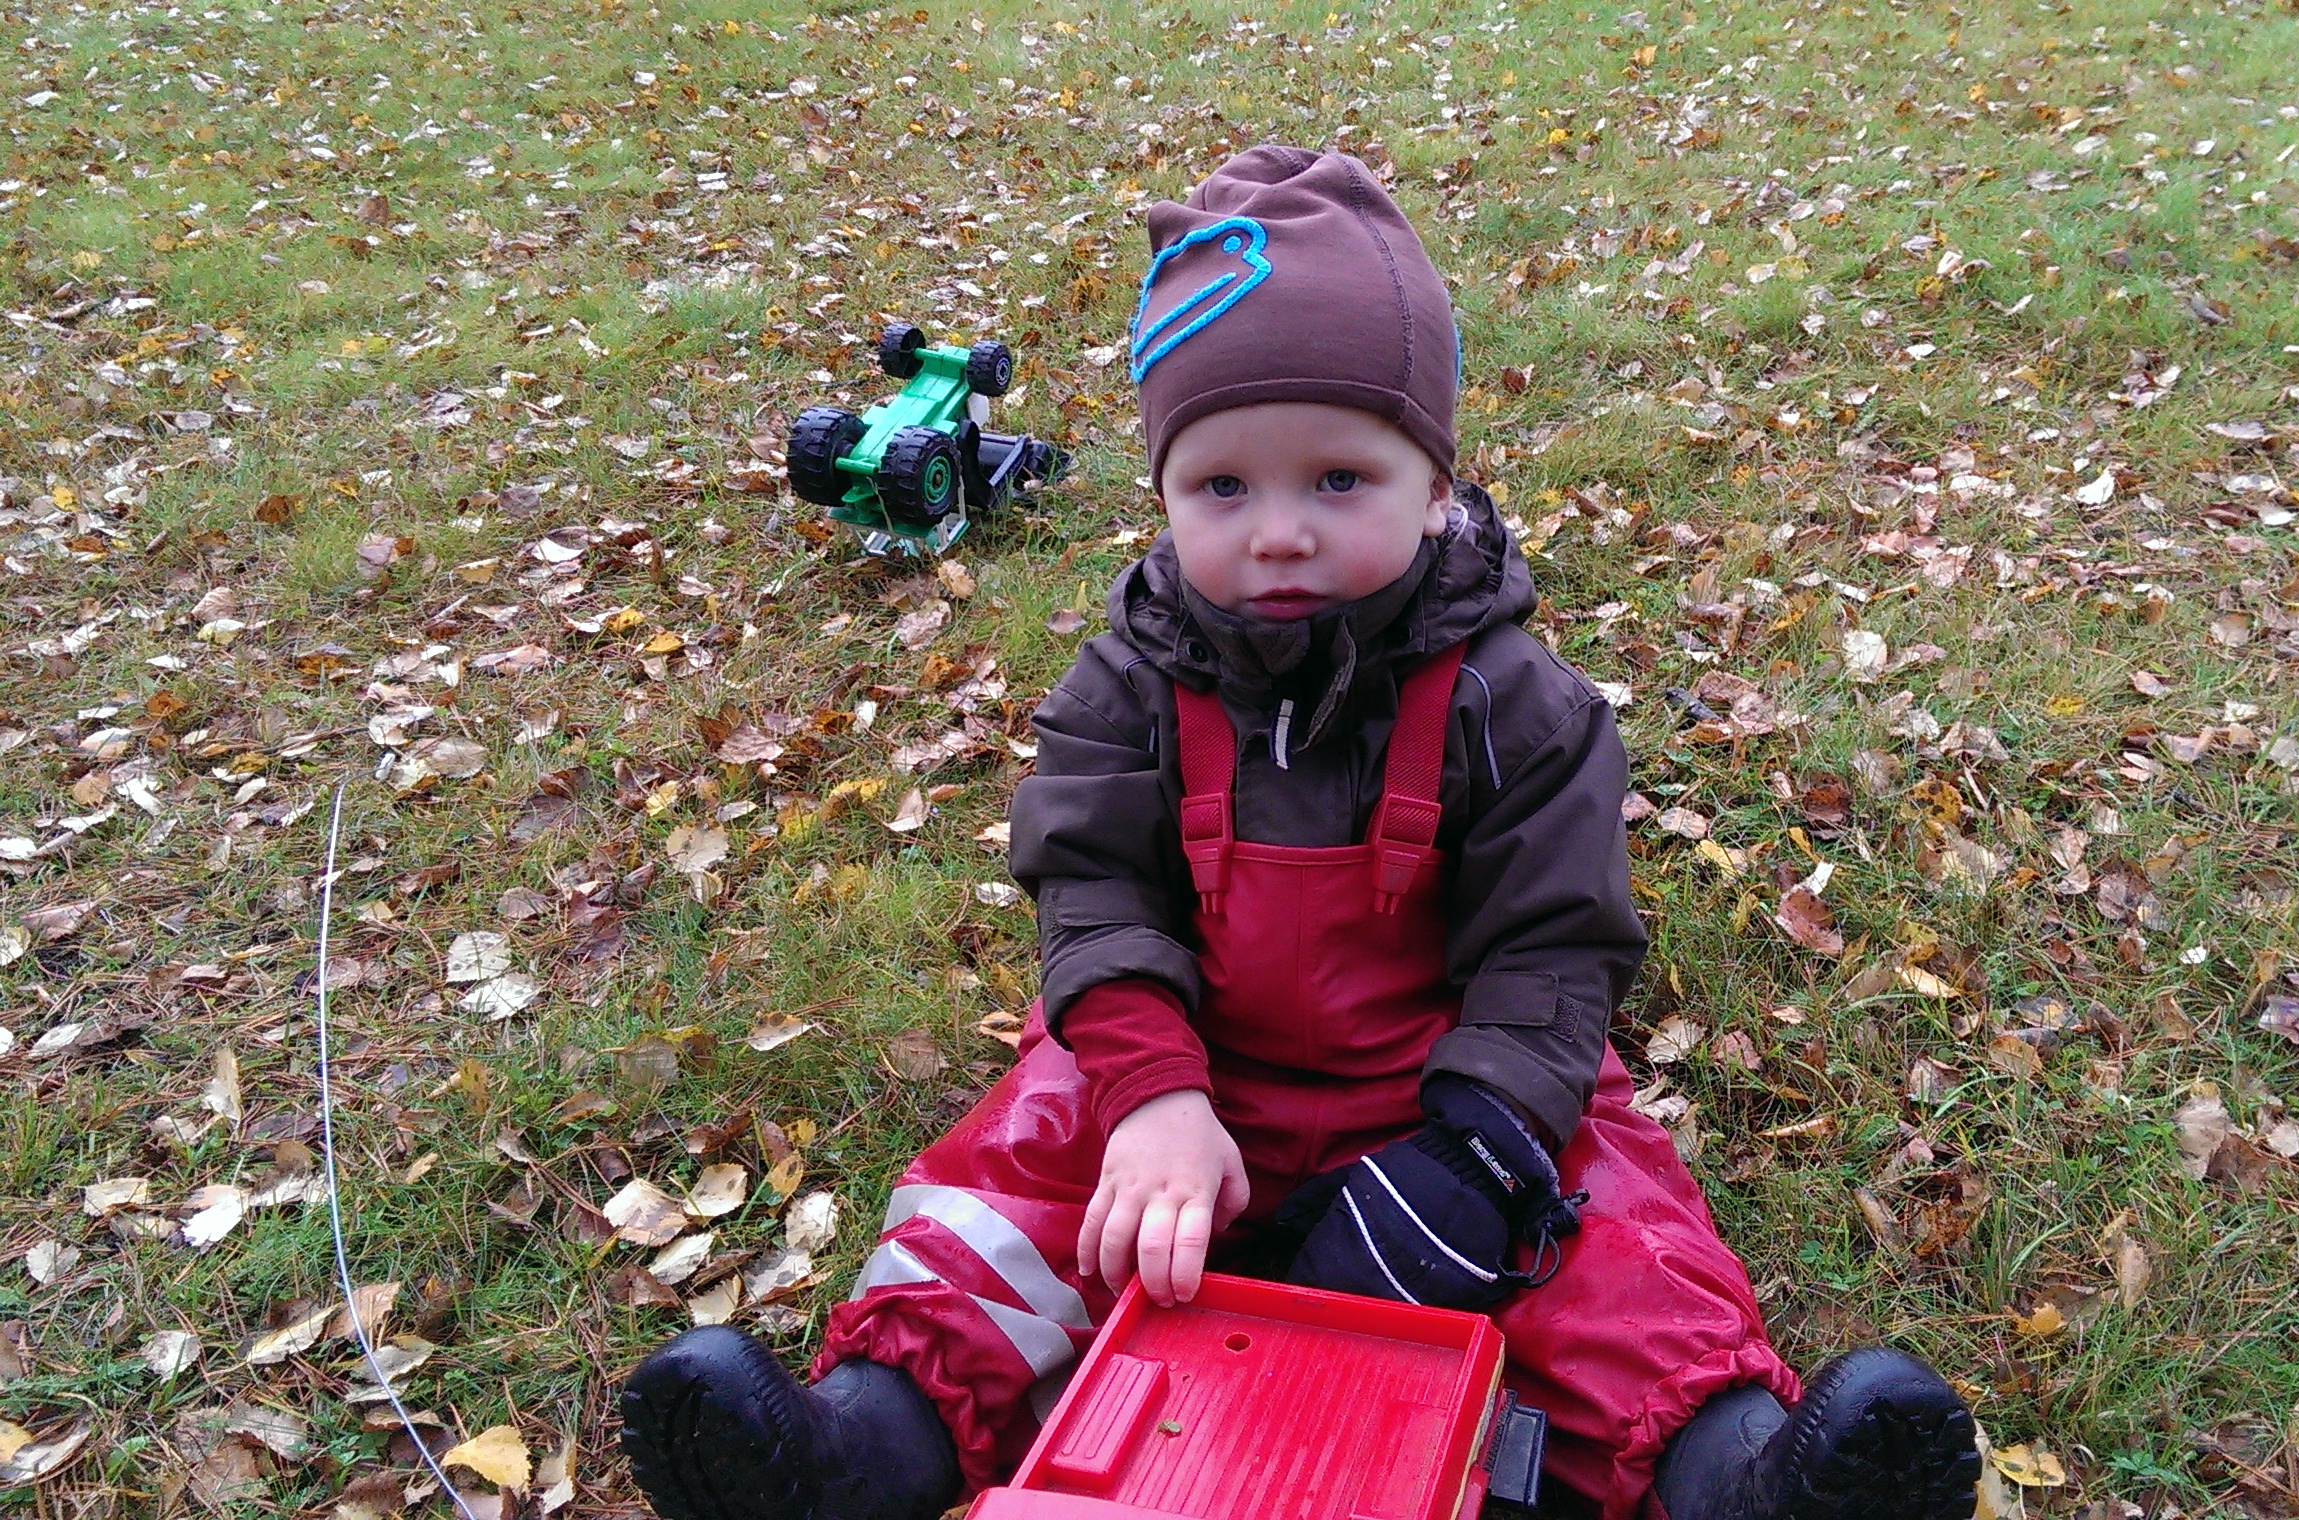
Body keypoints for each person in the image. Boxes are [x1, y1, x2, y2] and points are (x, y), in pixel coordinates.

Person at [618, 146, 1981, 1520]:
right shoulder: (1125, 683)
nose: (1278, 534)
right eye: (1223, 487)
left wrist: (1478, 1153)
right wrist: (1151, 1092)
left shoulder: (1519, 704)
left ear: (1435, 483)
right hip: (1191, 1071)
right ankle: (867, 1437)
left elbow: (1554, 953)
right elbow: (1095, 895)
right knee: (1015, 1173)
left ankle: (1734, 1464)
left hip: (1443, 1082)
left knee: (1614, 1227)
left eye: (1338, 479)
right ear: (1162, 494)